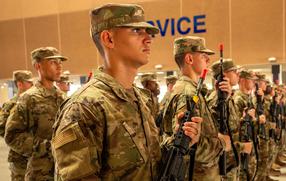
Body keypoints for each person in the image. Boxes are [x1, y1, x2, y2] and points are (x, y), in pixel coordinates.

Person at [51, 3, 201, 181]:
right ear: (108, 39)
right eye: (136, 31)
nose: (148, 39)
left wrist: (179, 140)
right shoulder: (84, 108)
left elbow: (149, 163)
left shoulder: (141, 99)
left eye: (148, 33)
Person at [161, 36, 231, 181]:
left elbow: (205, 127)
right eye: (203, 56)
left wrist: (221, 98)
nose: (208, 60)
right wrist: (222, 144)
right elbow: (186, 146)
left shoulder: (191, 90)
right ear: (189, 59)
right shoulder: (188, 93)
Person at [4, 47, 67, 180]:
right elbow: (12, 135)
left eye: (60, 62)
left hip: (63, 170)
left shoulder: (63, 98)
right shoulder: (29, 98)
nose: (59, 67)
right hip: (40, 173)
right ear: (38, 66)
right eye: (52, 62)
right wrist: (46, 147)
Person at [207, 59, 252, 181]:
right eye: (234, 71)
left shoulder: (227, 97)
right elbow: (216, 138)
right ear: (224, 75)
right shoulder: (216, 100)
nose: (238, 74)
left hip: (231, 161)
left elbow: (231, 129)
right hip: (223, 164)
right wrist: (241, 147)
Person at [0, 70, 33, 181]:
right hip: (19, 158)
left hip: (34, 155)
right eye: (29, 82)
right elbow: (2, 128)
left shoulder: (32, 101)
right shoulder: (11, 104)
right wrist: (20, 140)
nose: (32, 85)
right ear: (19, 84)